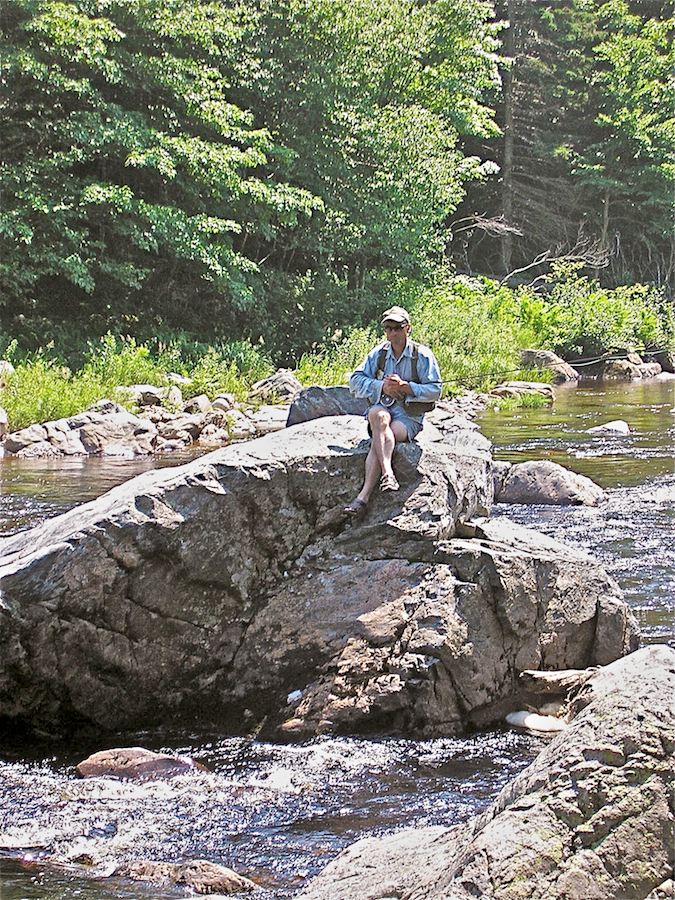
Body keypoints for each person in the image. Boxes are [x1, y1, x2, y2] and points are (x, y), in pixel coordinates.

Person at [344, 305, 442, 515]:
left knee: (380, 438)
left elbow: (435, 390)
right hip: (383, 409)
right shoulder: (378, 354)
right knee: (376, 416)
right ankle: (388, 474)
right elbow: (355, 381)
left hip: (409, 417)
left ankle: (363, 497)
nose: (392, 333)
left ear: (408, 328)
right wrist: (382, 387)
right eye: (388, 328)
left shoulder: (422, 355)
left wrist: (407, 388)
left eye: (397, 328)